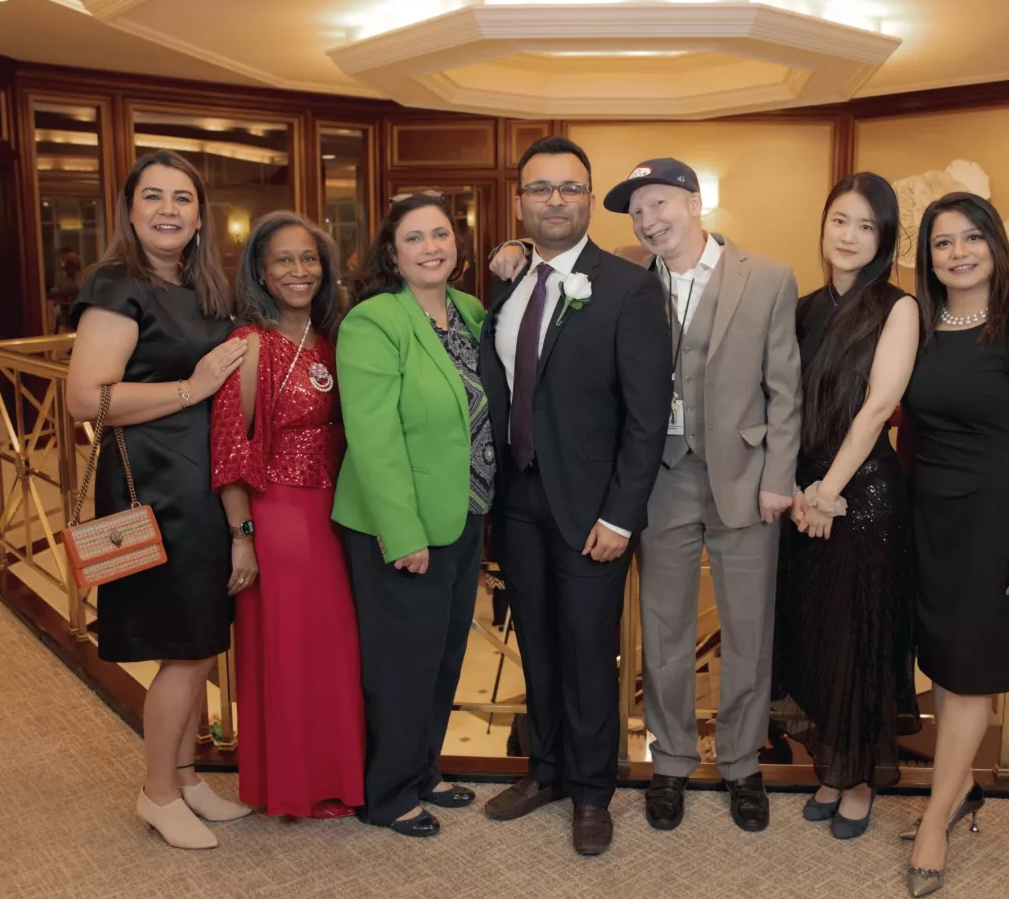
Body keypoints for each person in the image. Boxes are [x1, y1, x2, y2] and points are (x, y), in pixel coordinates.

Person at [477, 136, 669, 856]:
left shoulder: (628, 286)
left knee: (591, 652)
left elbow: (647, 417)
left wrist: (622, 514)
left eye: (569, 188)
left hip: (594, 510)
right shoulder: (508, 280)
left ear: (589, 199)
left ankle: (593, 792)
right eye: (540, 189)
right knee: (538, 644)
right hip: (517, 500)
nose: (554, 200)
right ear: (520, 200)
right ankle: (548, 770)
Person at [602, 158, 800, 832]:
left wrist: (780, 478)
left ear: (693, 202)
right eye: (637, 212)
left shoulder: (767, 277)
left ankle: (742, 761)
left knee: (747, 626)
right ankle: (673, 759)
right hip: (663, 476)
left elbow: (785, 387)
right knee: (664, 628)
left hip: (744, 473)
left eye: (659, 204)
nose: (649, 220)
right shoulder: (629, 281)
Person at [66, 150, 250, 850]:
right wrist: (191, 388)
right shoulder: (117, 283)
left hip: (202, 478)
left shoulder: (201, 286)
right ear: (130, 208)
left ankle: (187, 774)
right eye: (154, 196)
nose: (169, 209)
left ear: (202, 215)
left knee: (202, 641)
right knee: (186, 645)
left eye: (183, 198)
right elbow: (89, 398)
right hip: (156, 482)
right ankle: (157, 792)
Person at [902, 192, 1009, 898]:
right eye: (943, 242)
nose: (959, 253)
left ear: (997, 246)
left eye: (973, 238)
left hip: (995, 517)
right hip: (925, 514)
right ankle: (958, 784)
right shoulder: (919, 325)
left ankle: (936, 819)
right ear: (928, 257)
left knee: (969, 670)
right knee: (942, 658)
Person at [332, 193, 492, 838]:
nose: (431, 247)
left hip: (466, 510)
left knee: (444, 654)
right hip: (400, 523)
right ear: (392, 255)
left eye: (441, 234)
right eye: (414, 238)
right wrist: (404, 533)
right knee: (402, 662)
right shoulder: (373, 322)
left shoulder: (472, 312)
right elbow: (373, 438)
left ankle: (423, 769)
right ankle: (389, 791)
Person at [775, 172, 920, 840]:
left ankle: (859, 777)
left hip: (860, 494)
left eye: (867, 225)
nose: (851, 236)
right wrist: (799, 489)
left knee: (858, 636)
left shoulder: (898, 307)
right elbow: (781, 403)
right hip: (802, 493)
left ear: (885, 238)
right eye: (841, 220)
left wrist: (830, 490)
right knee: (815, 634)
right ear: (824, 225)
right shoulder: (802, 307)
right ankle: (831, 769)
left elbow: (877, 409)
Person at [210, 211, 364, 820]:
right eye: (283, 260)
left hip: (337, 512)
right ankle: (294, 787)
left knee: (334, 653)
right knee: (292, 653)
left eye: (309, 259)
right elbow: (229, 450)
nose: (299, 271)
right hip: (279, 517)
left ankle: (336, 777)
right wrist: (242, 537)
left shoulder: (334, 336)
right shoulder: (247, 346)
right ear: (260, 272)